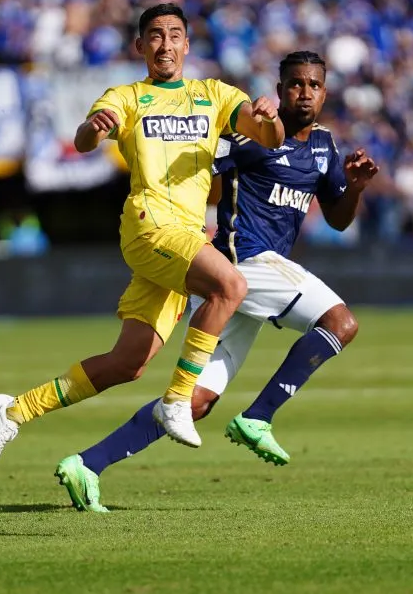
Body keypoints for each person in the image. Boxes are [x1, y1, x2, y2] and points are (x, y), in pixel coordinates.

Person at [52, 51, 380, 511]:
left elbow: (339, 220)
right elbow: (200, 173)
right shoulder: (250, 136)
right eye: (294, 84)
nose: (304, 93)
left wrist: (356, 188)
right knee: (340, 321)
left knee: (196, 402)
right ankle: (258, 418)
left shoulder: (325, 148)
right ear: (280, 87)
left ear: (325, 92)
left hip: (253, 281)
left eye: (313, 85)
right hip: (239, 260)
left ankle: (87, 463)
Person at [0, 3, 285, 469]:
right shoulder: (127, 96)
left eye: (174, 35)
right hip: (150, 226)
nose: (165, 44)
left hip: (184, 237)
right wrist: (92, 128)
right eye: (155, 36)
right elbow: (84, 140)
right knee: (231, 285)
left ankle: (14, 410)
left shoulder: (215, 94)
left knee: (128, 363)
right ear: (140, 46)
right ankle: (178, 399)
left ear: (187, 44)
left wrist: (269, 113)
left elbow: (270, 138)